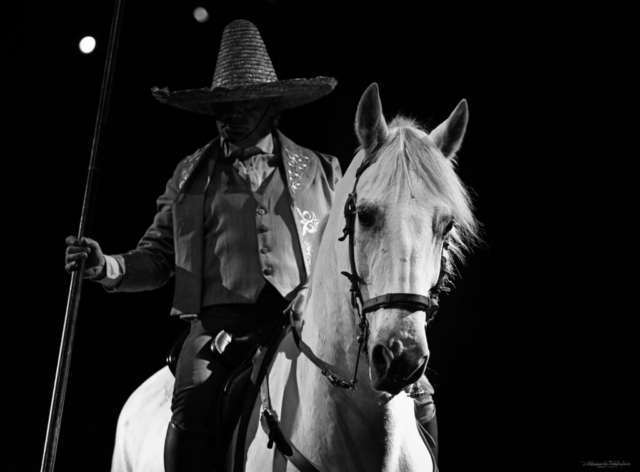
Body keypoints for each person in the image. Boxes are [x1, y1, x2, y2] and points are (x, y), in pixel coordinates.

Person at [65, 18, 438, 471]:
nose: (229, 114)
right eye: (222, 106)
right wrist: (109, 267)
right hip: (222, 324)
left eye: (242, 104)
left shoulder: (321, 170)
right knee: (194, 401)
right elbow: (158, 257)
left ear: (271, 108)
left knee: (419, 392)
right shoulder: (190, 177)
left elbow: (348, 246)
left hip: (306, 316)